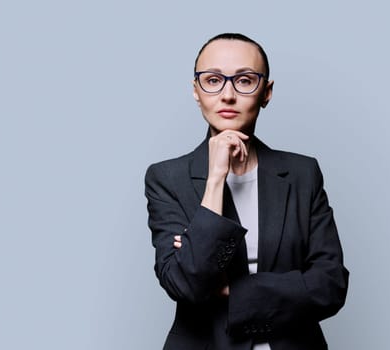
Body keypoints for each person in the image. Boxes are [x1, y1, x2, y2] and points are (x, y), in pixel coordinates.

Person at [145, 33, 349, 350]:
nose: (227, 94)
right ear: (196, 92)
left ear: (266, 93)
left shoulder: (302, 174)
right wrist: (215, 178)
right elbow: (187, 285)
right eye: (212, 80)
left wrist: (233, 290)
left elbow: (331, 285)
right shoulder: (167, 178)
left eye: (244, 80)